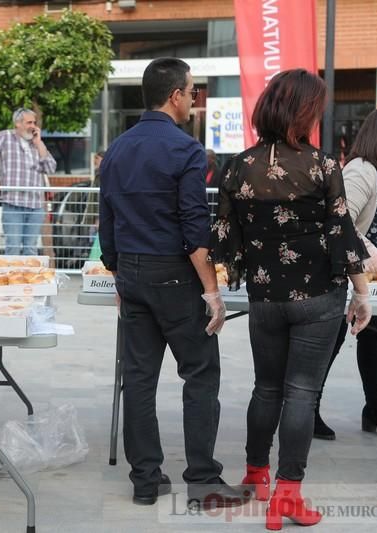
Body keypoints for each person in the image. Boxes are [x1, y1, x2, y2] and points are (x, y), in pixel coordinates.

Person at [209, 69, 372, 530]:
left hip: (265, 296)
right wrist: (362, 295)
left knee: (267, 388)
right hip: (319, 296)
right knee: (302, 391)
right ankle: (288, 494)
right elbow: (342, 234)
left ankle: (255, 473)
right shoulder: (323, 166)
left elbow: (224, 236)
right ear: (306, 112)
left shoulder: (238, 165)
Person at [99, 57, 244, 510]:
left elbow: (106, 224)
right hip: (177, 275)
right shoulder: (186, 149)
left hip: (134, 274)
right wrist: (213, 294)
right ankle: (203, 482)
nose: (194, 98)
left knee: (138, 380)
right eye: (192, 90)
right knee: (200, 375)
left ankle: (145, 479)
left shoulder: (117, 149)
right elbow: (194, 229)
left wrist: (118, 271)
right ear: (176, 95)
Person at [314, 105, 377, 441]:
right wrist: (367, 253)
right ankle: (308, 408)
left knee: (375, 340)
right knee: (334, 340)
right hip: (346, 272)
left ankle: (376, 410)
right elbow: (341, 223)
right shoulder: (362, 171)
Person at [0, 108, 57, 256]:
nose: (33, 126)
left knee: (30, 249)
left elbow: (51, 168)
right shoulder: (5, 137)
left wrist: (39, 144)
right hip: (13, 205)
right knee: (13, 248)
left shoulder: (36, 143)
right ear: (18, 123)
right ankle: (13, 279)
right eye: (29, 122)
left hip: (36, 206)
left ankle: (29, 279)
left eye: (34, 122)